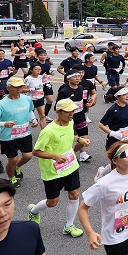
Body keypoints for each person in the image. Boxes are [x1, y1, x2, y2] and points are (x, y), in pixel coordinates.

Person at [28, 98, 89, 238]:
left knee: (74, 194)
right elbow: (36, 151)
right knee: (52, 202)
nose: (71, 114)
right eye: (67, 111)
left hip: (70, 165)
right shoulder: (48, 131)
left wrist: (79, 139)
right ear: (58, 112)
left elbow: (68, 135)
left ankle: (69, 225)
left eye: (72, 111)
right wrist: (55, 156)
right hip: (53, 171)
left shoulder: (70, 122)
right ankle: (34, 211)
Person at [0, 77, 38, 187]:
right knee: (13, 159)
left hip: (25, 133)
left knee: (28, 156)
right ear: (8, 88)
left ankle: (17, 167)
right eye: (16, 87)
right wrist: (4, 124)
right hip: (9, 136)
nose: (19, 89)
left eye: (20, 86)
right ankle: (11, 177)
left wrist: (33, 120)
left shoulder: (27, 99)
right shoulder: (1, 104)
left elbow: (29, 111)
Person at [56, 70, 93, 163]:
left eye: (79, 76)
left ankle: (74, 152)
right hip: (68, 118)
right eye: (75, 77)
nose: (78, 78)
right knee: (68, 138)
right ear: (68, 78)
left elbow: (82, 100)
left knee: (85, 139)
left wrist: (87, 103)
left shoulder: (81, 88)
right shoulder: (64, 91)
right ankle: (71, 154)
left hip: (80, 116)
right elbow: (57, 106)